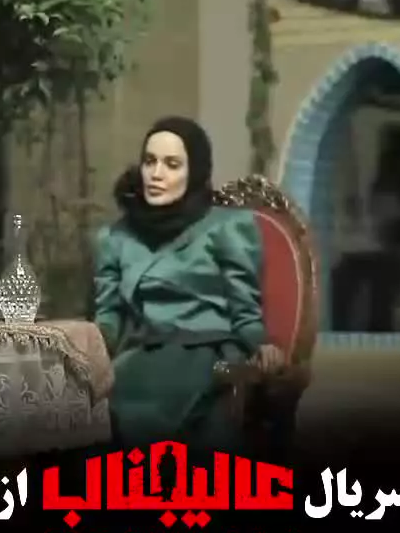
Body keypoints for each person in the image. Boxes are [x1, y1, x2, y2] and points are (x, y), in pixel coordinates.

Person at [93, 117, 285, 453]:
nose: (156, 174)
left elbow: (245, 312)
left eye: (172, 164)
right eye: (150, 161)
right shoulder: (117, 237)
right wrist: (85, 349)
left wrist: (263, 345)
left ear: (194, 172)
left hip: (206, 353)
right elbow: (108, 315)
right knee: (81, 410)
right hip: (141, 354)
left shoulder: (226, 228)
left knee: (151, 416)